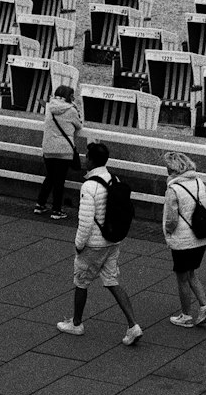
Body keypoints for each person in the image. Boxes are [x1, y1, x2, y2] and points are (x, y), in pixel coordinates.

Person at [56, 142, 142, 346]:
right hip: (113, 241)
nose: (85, 160)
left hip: (94, 244)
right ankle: (133, 325)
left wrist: (78, 245)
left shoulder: (89, 186)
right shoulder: (114, 179)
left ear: (92, 160)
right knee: (112, 281)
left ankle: (76, 323)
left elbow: (85, 221)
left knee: (81, 282)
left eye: (87, 157)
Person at [161, 151, 206, 327]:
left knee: (182, 278)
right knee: (192, 273)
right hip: (200, 238)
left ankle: (185, 315)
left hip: (182, 240)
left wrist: (168, 233)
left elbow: (171, 219)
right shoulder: (199, 182)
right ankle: (204, 306)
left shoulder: (173, 189)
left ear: (173, 169)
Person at [34, 85, 84, 220]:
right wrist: (74, 106)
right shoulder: (71, 110)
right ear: (70, 96)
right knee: (59, 181)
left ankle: (40, 204)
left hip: (48, 148)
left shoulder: (49, 108)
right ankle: (56, 210)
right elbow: (79, 125)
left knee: (50, 177)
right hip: (63, 150)